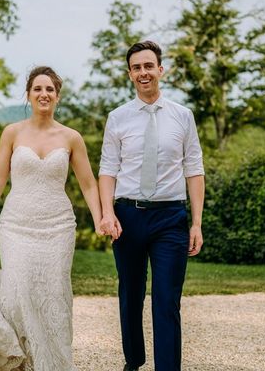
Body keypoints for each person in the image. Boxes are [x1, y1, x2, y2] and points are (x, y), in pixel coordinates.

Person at [0, 66, 109, 371]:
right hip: (16, 225)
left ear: (57, 96)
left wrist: (99, 219)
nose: (44, 94)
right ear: (29, 95)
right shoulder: (12, 132)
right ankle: (16, 361)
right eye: (38, 89)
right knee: (16, 291)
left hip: (58, 227)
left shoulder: (71, 137)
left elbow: (88, 183)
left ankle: (54, 362)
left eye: (50, 90)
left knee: (54, 294)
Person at [98, 41, 205, 371]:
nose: (143, 72)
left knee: (166, 300)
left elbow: (194, 169)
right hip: (128, 216)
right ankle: (134, 361)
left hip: (170, 218)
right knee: (130, 295)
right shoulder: (118, 118)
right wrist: (108, 213)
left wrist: (196, 223)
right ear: (129, 74)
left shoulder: (182, 117)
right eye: (136, 67)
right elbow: (107, 170)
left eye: (148, 66)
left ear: (161, 70)